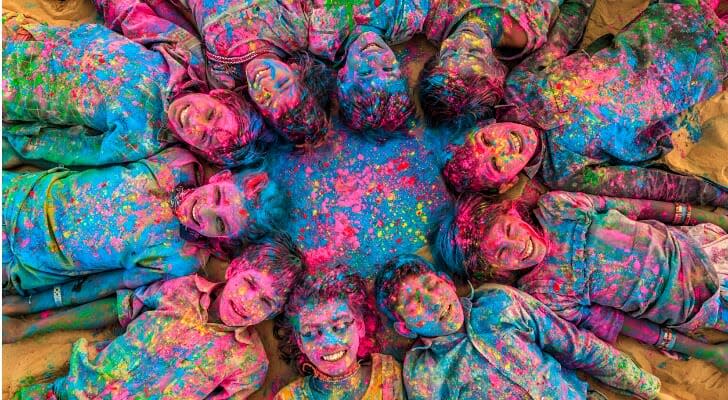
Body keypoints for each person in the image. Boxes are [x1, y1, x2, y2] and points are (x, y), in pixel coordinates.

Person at [443, 0, 728, 195]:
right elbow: (645, 184)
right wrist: (714, 196)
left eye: (486, 140)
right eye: (495, 164)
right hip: (699, 73)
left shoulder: (519, 89)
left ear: (482, 128)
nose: (504, 145)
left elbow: (560, 41)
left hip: (664, 26)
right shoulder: (566, 175)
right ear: (507, 183)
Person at [438, 191, 728, 370]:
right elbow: (617, 323)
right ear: (495, 271)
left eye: (508, 229)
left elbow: (634, 207)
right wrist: (707, 352)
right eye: (501, 252)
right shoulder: (544, 292)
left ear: (511, 213)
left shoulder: (557, 209)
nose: (518, 245)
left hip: (700, 248)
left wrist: (694, 214)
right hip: (694, 307)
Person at [9, 234, 305, 399]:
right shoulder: (181, 289)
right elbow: (116, 309)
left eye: (266, 302)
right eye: (249, 284)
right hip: (74, 391)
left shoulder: (249, 364)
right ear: (234, 269)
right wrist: (32, 327)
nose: (248, 302)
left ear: (275, 312)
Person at [2, 147, 287, 314]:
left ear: (227, 239)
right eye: (218, 198)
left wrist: (29, 306)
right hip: (16, 195)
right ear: (222, 177)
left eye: (220, 223)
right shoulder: (177, 162)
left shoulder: (182, 258)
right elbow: (89, 154)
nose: (204, 212)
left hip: (21, 265)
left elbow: (102, 284)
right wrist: (18, 150)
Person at [375, 254, 661, 399]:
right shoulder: (423, 374)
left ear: (447, 281)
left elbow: (577, 346)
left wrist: (647, 387)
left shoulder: (498, 303)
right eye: (414, 304)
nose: (434, 302)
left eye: (431, 286)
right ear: (404, 328)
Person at [2, 14, 269, 169]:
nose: (193, 121)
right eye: (210, 115)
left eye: (205, 137)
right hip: (26, 34)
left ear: (203, 151)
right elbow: (133, 19)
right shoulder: (185, 58)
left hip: (12, 92)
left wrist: (12, 132)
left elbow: (68, 147)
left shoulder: (141, 140)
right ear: (218, 96)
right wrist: (39, 33)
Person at [98, 0, 342, 145]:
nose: (266, 85)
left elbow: (168, 32)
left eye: (266, 100)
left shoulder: (222, 77)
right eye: (282, 84)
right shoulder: (293, 30)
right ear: (297, 70)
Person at [274, 265, 405, 399]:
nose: (329, 343)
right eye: (311, 333)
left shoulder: (388, 375)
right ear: (300, 342)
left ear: (360, 325)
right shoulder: (288, 397)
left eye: (340, 326)